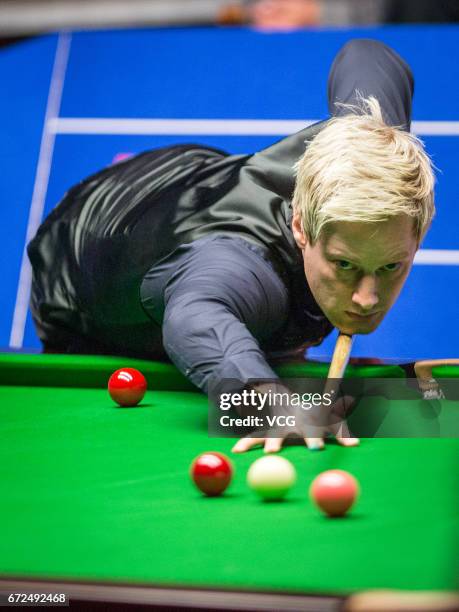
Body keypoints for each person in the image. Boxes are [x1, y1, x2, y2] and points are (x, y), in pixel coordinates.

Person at [27, 39, 435, 452]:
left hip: (192, 178)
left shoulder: (376, 152)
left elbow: (366, 53)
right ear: (300, 227)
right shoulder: (241, 265)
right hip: (79, 262)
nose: (367, 299)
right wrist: (267, 403)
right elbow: (193, 317)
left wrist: (369, 128)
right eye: (345, 265)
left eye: (389, 267)